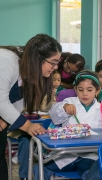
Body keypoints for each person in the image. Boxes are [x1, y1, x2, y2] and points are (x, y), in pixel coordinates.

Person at [0, 33, 62, 180]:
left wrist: (5, 120)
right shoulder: (7, 60)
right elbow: (1, 100)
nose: (56, 67)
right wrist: (28, 126)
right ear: (38, 59)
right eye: (53, 62)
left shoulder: (29, 72)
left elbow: (16, 101)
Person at [33, 70, 102, 180]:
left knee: (94, 172)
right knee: (40, 168)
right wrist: (64, 108)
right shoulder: (69, 101)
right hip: (66, 154)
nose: (85, 93)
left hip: (89, 156)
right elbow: (54, 114)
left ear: (97, 91)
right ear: (75, 89)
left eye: (89, 90)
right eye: (80, 90)